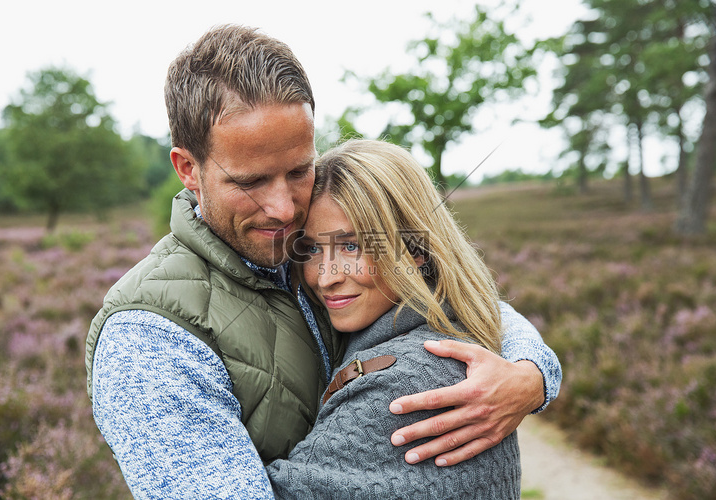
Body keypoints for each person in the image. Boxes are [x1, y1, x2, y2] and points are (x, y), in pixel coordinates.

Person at [85, 24, 561, 498]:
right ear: (189, 169)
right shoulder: (148, 340)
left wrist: (530, 375)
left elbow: (453, 297)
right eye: (251, 181)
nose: (285, 208)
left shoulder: (295, 244)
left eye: (298, 171)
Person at [267, 138, 523, 498]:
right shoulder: (446, 330)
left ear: (415, 250)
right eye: (310, 249)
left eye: (352, 246)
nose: (325, 277)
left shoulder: (400, 386)